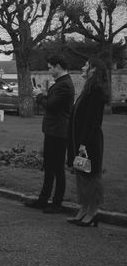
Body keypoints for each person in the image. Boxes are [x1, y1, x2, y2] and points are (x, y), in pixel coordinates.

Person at [25, 55, 75, 213]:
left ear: (58, 66)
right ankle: (43, 200)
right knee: (49, 166)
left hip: (59, 132)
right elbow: (53, 102)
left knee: (57, 168)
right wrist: (42, 95)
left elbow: (52, 106)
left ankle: (57, 203)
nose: (49, 70)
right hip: (53, 131)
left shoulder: (64, 84)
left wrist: (39, 95)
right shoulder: (61, 83)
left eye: (50, 67)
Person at [66, 58, 110, 227]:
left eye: (86, 65)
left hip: (89, 143)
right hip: (80, 141)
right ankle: (83, 208)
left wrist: (83, 144)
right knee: (82, 176)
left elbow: (92, 121)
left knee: (91, 177)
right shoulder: (88, 88)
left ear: (93, 69)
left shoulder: (97, 90)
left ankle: (93, 212)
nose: (83, 67)